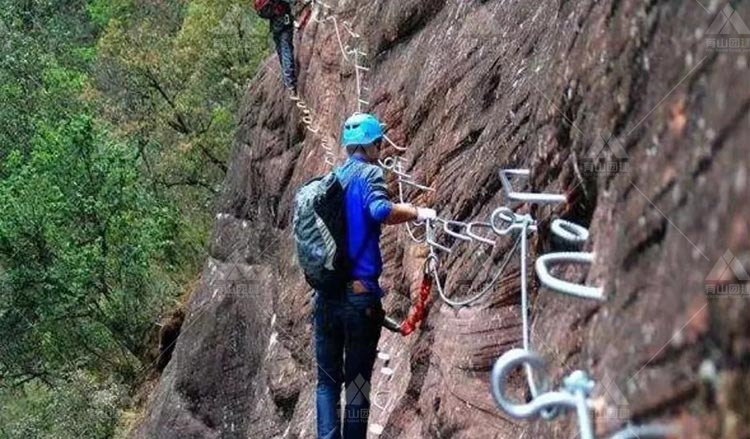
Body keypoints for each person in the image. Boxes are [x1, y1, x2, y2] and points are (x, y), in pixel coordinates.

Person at [313, 113, 436, 439]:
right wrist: (416, 212)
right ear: (371, 144)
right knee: (356, 383)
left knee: (326, 382)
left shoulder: (331, 180)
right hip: (359, 297)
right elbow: (380, 211)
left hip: (325, 297)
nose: (381, 148)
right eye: (379, 142)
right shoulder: (369, 174)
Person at [268, 0, 297, 93]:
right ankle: (290, 83)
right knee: (286, 50)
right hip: (284, 23)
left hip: (274, 26)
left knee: (281, 50)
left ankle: (287, 79)